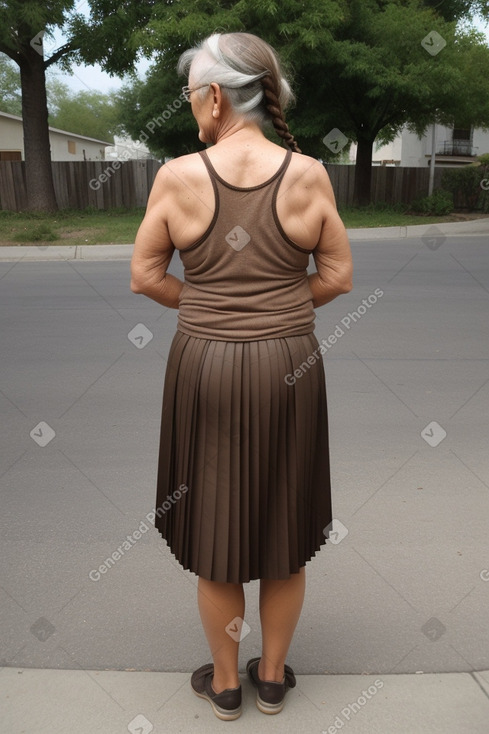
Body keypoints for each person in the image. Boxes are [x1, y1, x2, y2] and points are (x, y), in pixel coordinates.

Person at [130, 31, 353, 721]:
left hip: (206, 365)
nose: (192, 106)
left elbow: (145, 277)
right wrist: (278, 309)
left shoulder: (177, 176)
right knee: (283, 526)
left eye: (193, 92)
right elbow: (338, 277)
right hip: (289, 361)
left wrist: (206, 307)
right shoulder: (310, 173)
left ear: (216, 96)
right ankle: (276, 678)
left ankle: (225, 684)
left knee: (217, 532)